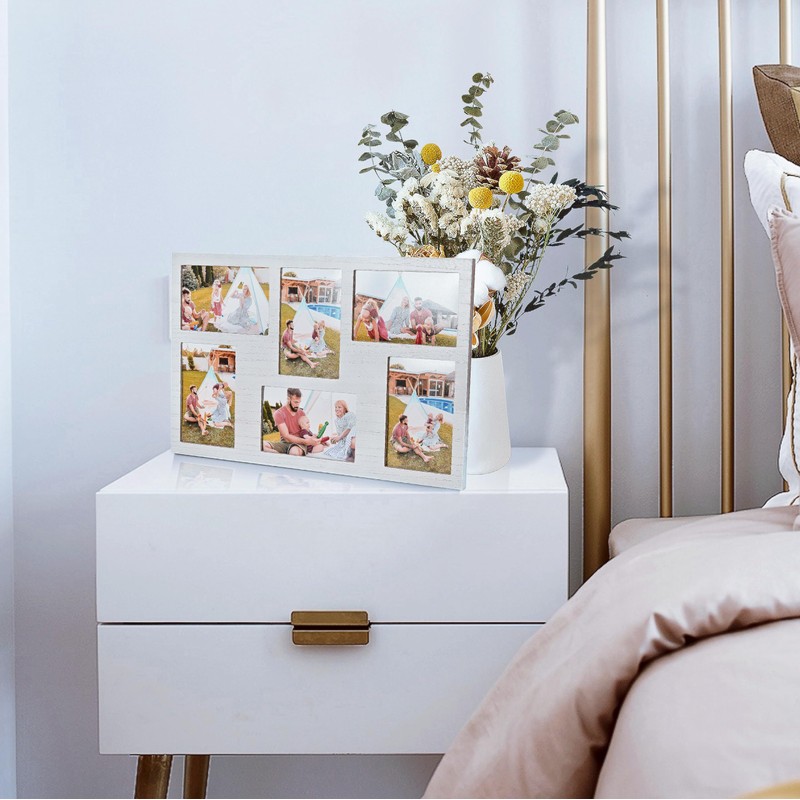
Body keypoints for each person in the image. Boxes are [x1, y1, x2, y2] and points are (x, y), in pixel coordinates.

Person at [262, 388, 325, 456]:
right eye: (296, 402)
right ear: (288, 399)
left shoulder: (301, 413)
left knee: (294, 452)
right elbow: (286, 437)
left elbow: (306, 430)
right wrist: (306, 441)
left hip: (299, 444)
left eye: (299, 402)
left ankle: (283, 456)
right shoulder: (279, 413)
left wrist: (313, 438)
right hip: (285, 443)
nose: (298, 405)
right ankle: (279, 457)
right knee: (262, 445)